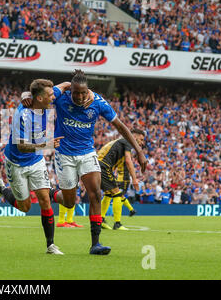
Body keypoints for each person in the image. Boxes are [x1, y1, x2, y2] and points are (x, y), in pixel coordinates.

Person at [21, 70, 147, 255]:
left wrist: (139, 151)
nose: (79, 97)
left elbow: (121, 126)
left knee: (95, 193)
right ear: (70, 90)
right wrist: (25, 95)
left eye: (83, 92)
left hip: (87, 153)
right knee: (70, 202)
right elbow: (38, 95)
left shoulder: (97, 102)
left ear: (88, 90)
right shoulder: (61, 96)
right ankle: (51, 193)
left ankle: (95, 244)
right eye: (75, 93)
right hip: (64, 155)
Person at [0, 78, 66, 255]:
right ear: (39, 98)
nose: (53, 97)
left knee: (44, 200)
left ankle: (50, 245)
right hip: (16, 162)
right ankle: (2, 189)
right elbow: (21, 146)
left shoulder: (44, 98)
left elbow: (64, 86)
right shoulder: (23, 115)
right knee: (25, 207)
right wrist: (47, 145)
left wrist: (82, 90)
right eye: (49, 95)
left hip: (36, 160)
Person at [98, 129, 145, 230]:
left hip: (100, 166)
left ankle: (101, 220)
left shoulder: (121, 142)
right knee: (117, 194)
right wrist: (135, 179)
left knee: (108, 194)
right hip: (103, 166)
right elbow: (128, 160)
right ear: (134, 136)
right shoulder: (128, 141)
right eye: (141, 139)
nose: (142, 142)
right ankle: (117, 223)